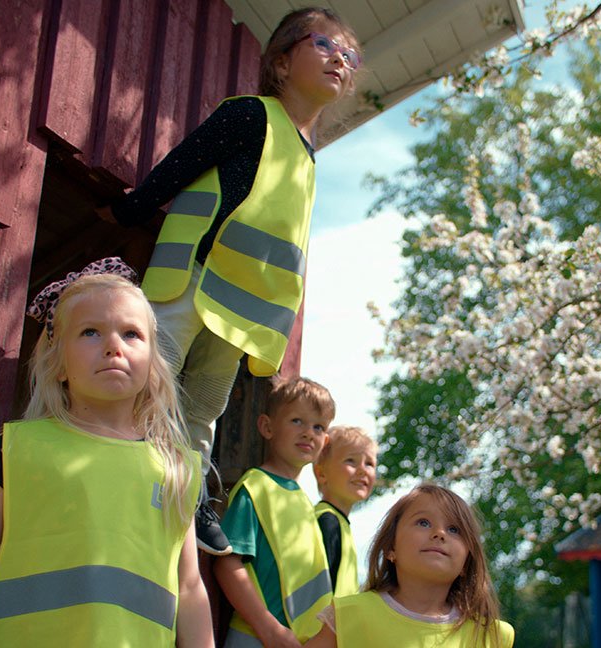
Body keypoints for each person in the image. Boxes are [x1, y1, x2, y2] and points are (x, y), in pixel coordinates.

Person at [98, 7, 362, 554]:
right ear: (282, 62)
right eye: (324, 44)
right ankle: (113, 473)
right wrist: (128, 213)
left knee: (202, 411)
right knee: (148, 383)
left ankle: (187, 502)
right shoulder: (251, 116)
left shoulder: (310, 161)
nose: (340, 58)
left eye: (349, 55)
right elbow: (183, 163)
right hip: (193, 280)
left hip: (242, 311)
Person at [0, 259, 214, 648]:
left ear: (153, 363)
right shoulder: (20, 450)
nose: (114, 346)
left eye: (132, 334)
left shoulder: (177, 467)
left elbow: (188, 588)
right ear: (59, 365)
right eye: (90, 332)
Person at [304, 485, 515, 648]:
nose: (439, 533)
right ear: (391, 548)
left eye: (454, 529)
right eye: (423, 522)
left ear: (465, 564)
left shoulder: (492, 637)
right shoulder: (347, 617)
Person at [214, 376, 335, 648]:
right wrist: (268, 628)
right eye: (297, 421)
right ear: (267, 427)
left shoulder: (304, 501)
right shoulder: (256, 487)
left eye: (318, 427)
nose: (308, 433)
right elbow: (227, 564)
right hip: (256, 636)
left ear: (325, 441)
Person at [312, 426, 377, 597]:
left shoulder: (339, 523)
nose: (363, 469)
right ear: (321, 473)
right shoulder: (327, 522)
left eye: (369, 463)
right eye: (351, 461)